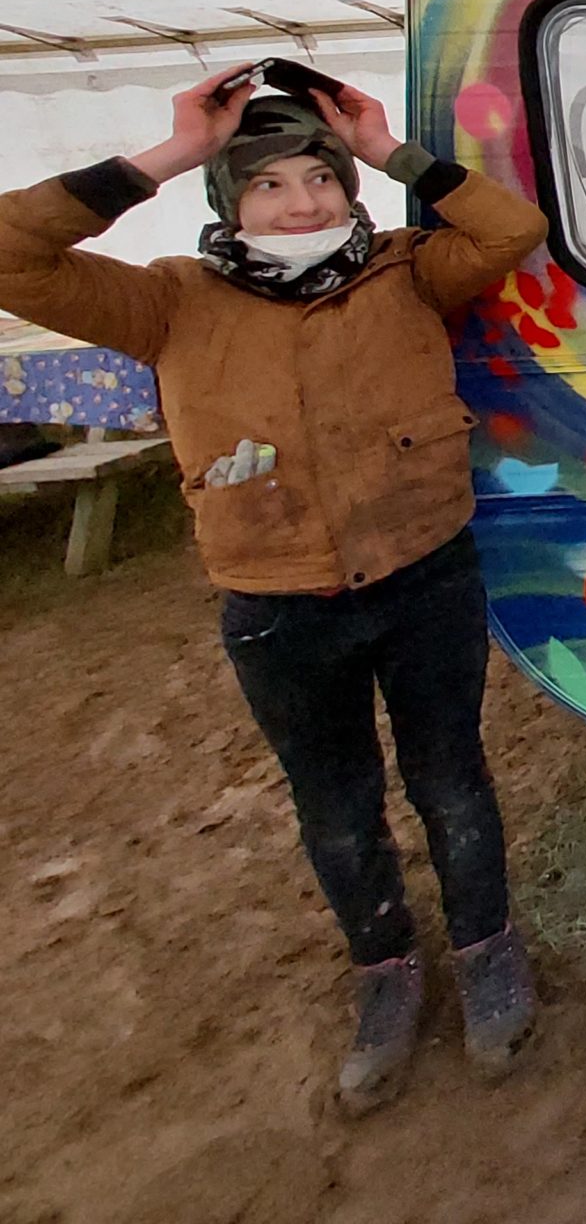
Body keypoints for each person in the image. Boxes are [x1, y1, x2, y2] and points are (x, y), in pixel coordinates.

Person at [0, 61, 551, 1113]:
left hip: (425, 574)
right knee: (336, 802)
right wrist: (170, 154)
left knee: (451, 779)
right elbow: (10, 252)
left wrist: (387, 149)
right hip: (277, 601)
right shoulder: (165, 300)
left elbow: (510, 227)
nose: (302, 204)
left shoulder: (406, 272)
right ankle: (384, 973)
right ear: (229, 198)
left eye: (322, 179)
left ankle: (488, 952)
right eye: (269, 184)